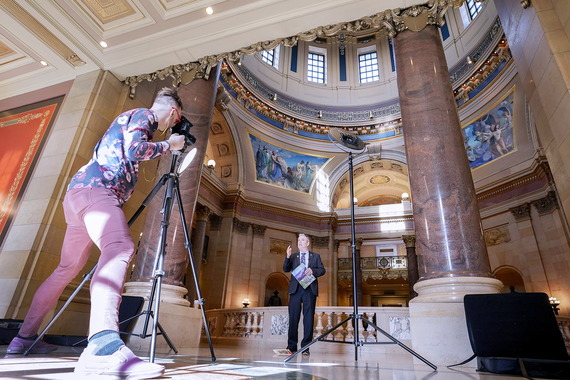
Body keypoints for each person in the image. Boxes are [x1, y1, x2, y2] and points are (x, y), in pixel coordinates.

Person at [7, 87, 186, 379]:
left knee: (66, 268)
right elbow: (135, 151)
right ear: (173, 112)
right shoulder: (145, 115)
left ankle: (23, 338)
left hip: (79, 194)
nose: (171, 126)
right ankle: (103, 347)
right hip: (98, 192)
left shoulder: (128, 119)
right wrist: (170, 144)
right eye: (174, 121)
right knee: (120, 249)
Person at [283, 234, 326, 355]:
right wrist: (287, 256)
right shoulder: (293, 256)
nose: (300, 242)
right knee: (293, 318)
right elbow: (285, 269)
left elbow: (322, 270)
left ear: (307, 243)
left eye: (302, 240)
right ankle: (291, 347)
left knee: (308, 319)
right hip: (295, 290)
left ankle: (305, 348)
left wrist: (313, 270)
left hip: (309, 290)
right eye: (298, 240)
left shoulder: (315, 256)